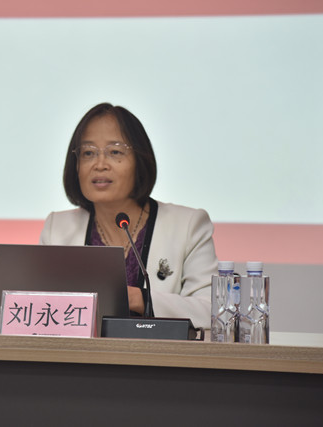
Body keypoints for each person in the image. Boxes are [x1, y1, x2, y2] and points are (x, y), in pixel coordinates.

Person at [39, 103, 218, 329]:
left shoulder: (188, 225)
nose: (100, 165)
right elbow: (39, 310)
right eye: (88, 153)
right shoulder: (57, 228)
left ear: (139, 160)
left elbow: (211, 310)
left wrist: (140, 299)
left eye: (115, 152)